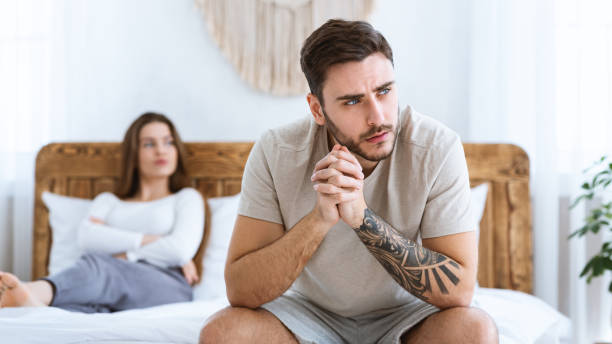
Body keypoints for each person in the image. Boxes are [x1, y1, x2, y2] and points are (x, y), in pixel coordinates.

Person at [200, 19, 498, 344]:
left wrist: (362, 219)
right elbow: (240, 290)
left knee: (474, 331)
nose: (379, 117)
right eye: (353, 101)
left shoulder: (437, 148)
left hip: (411, 314)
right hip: (308, 314)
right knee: (223, 333)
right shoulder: (277, 152)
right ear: (317, 109)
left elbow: (460, 291)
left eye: (384, 91)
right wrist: (319, 220)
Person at [0, 112, 204, 313]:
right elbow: (88, 238)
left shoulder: (187, 198)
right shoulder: (108, 201)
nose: (161, 151)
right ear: (134, 153)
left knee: (99, 266)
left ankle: (33, 290)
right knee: (82, 306)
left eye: (168, 142)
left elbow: (180, 250)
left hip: (168, 284)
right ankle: (36, 307)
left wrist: (126, 254)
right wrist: (155, 239)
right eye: (149, 144)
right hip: (108, 287)